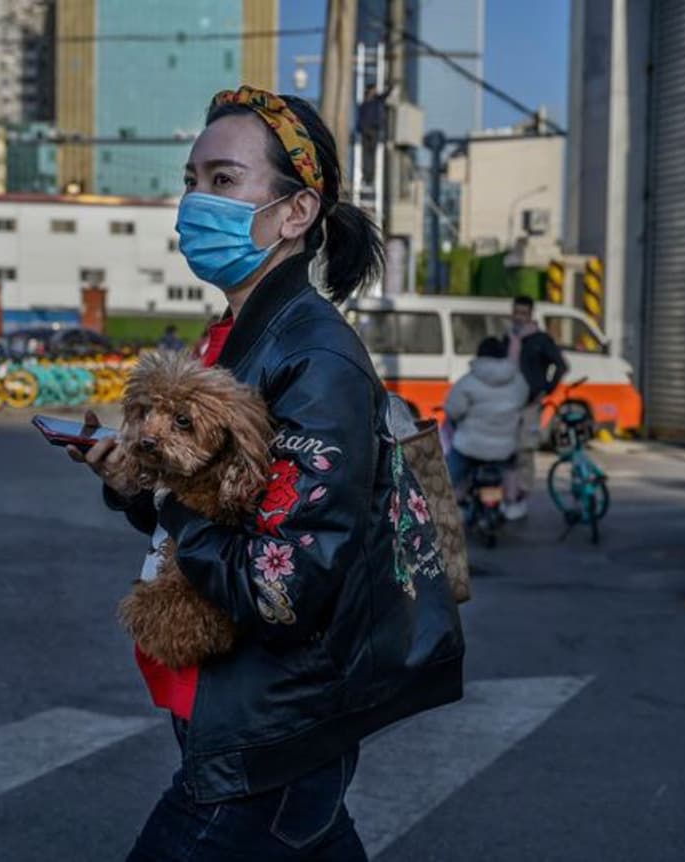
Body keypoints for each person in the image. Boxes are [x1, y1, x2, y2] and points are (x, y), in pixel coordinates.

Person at [69, 85, 464, 860]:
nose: (195, 201)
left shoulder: (314, 356)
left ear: (297, 212)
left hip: (269, 727)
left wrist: (169, 494)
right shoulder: (234, 336)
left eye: (223, 179)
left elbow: (281, 583)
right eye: (191, 180)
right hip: (235, 706)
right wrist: (134, 484)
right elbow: (226, 507)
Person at [502, 295, 568, 520]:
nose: (519, 317)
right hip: (507, 404)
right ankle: (507, 496)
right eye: (516, 312)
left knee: (525, 451)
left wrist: (545, 389)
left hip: (530, 405)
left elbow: (560, 366)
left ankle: (521, 497)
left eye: (524, 313)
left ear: (531, 315)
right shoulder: (508, 337)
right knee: (505, 451)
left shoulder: (541, 339)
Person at [443, 335, 528, 499]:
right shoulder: (518, 381)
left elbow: (453, 411)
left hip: (469, 447)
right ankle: (512, 504)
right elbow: (522, 402)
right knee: (512, 468)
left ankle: (455, 505)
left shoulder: (467, 381)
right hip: (505, 448)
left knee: (449, 483)